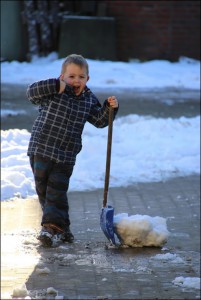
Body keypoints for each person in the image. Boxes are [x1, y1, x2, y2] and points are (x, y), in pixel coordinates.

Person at [27, 54, 119, 247]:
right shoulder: (54, 90)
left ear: (87, 79)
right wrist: (53, 85)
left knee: (56, 192)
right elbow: (31, 93)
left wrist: (109, 109)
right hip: (41, 148)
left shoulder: (87, 99)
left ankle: (50, 228)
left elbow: (100, 121)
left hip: (66, 155)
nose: (76, 81)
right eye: (71, 76)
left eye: (81, 77)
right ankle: (63, 229)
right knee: (44, 191)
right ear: (62, 76)